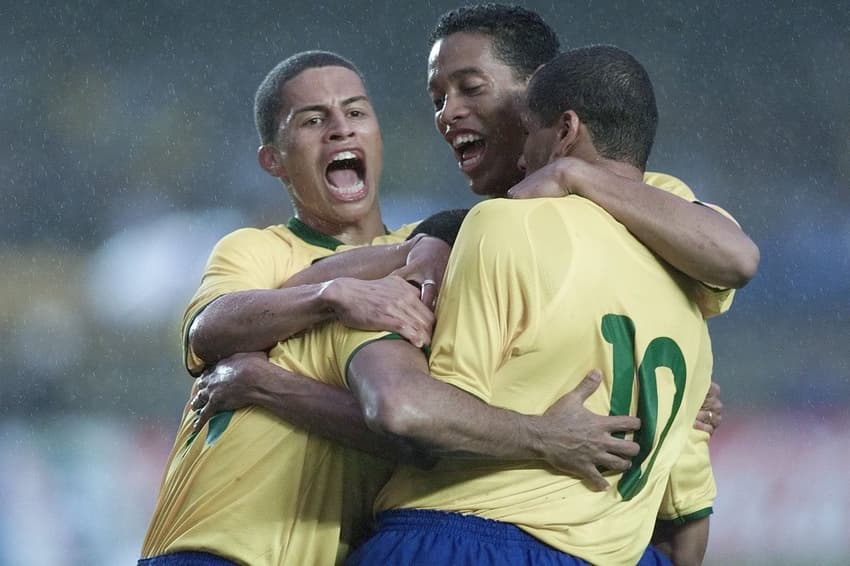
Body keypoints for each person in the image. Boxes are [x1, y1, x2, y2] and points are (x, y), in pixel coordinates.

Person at [139, 51, 644, 566]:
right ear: (274, 160)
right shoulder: (255, 248)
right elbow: (208, 333)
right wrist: (332, 295)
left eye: (356, 113)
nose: (340, 130)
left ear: (379, 138)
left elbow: (422, 427)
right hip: (207, 546)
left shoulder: (441, 254)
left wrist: (268, 384)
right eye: (313, 120)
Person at [343, 43, 717, 566]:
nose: (522, 157)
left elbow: (420, 422)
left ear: (564, 131)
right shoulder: (693, 267)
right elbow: (689, 512)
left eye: (529, 135)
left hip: (462, 538)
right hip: (614, 552)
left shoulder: (505, 223)